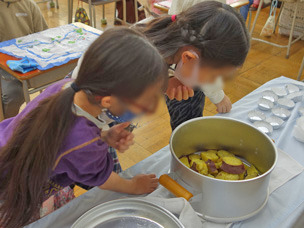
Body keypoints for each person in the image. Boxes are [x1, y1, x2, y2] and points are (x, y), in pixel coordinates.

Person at [0, 27, 167, 228]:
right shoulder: (86, 144)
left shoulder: (67, 87)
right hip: (12, 193)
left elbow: (67, 141)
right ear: (107, 101)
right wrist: (133, 186)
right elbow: (103, 178)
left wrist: (104, 137)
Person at [138, 1, 250, 130]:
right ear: (187, 57)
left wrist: (166, 82)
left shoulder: (168, 48)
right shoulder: (136, 64)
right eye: (213, 77)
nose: (213, 82)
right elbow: (113, 105)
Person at [0, 0, 48, 118]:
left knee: (59, 83)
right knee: (14, 95)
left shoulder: (29, 5)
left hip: (29, 62)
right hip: (3, 66)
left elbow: (45, 35)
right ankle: (6, 127)